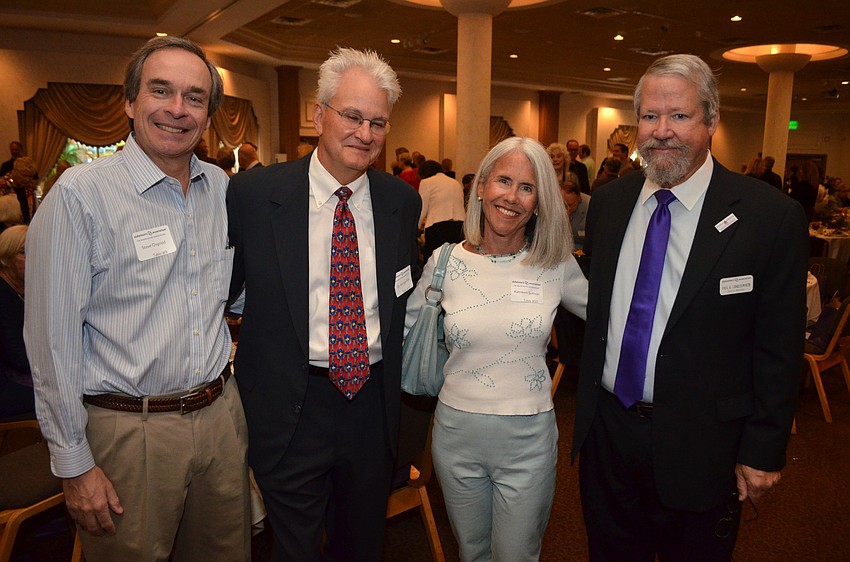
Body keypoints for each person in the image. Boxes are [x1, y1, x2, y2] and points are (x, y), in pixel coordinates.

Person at [571, 53, 808, 561]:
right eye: (650, 116)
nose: (662, 131)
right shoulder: (611, 203)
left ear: (711, 120)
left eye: (679, 115)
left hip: (704, 445)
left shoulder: (768, 217)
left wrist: (764, 448)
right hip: (609, 436)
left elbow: (779, 348)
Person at [24, 36, 250, 561]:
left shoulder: (222, 189)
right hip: (129, 432)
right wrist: (74, 464)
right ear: (129, 102)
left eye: (195, 97)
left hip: (220, 418)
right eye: (161, 90)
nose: (178, 109)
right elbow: (52, 345)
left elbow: (232, 295)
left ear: (208, 115)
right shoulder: (80, 196)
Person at [226, 47, 421, 561]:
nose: (365, 133)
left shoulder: (401, 202)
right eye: (352, 116)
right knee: (294, 550)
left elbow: (403, 294)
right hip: (290, 408)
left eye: (377, 122)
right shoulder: (253, 195)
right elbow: (224, 293)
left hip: (371, 408)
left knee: (363, 546)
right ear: (318, 115)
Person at [405, 136, 587, 561]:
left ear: (539, 203)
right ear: (481, 187)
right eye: (504, 181)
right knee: (471, 553)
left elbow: (611, 318)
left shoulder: (555, 263)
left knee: (516, 554)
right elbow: (405, 334)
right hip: (456, 434)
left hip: (528, 438)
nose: (512, 197)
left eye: (527, 187)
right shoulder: (444, 262)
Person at [0, 225, 34, 417]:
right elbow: (19, 358)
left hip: (16, 375)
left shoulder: (22, 291)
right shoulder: (3, 296)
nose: (33, 259)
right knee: (64, 398)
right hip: (5, 384)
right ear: (5, 259)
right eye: (24, 252)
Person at [417, 159, 465, 259]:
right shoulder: (455, 182)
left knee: (433, 261)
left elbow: (421, 208)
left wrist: (415, 228)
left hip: (438, 227)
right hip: (459, 227)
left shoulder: (426, 182)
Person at [0, 156, 38, 223]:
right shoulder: (3, 185)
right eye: (24, 175)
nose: (27, 179)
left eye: (30, 176)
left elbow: (33, 211)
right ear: (14, 172)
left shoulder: (29, 188)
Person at [561, 180, 590, 251]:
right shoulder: (555, 204)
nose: (568, 209)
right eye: (565, 205)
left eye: (571, 205)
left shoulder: (590, 206)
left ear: (578, 198)